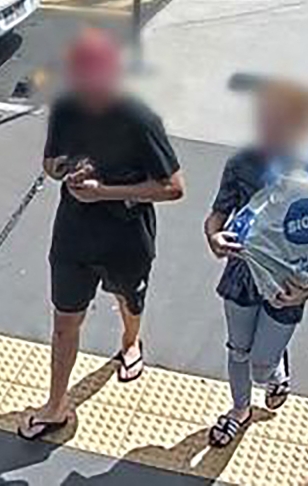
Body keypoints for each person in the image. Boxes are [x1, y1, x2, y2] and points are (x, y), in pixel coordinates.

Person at [20, 28, 185, 440]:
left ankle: (132, 343)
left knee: (127, 299)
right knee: (64, 321)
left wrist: (105, 192)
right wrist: (68, 171)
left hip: (127, 236)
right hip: (74, 234)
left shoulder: (140, 119)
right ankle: (57, 406)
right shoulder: (66, 108)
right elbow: (50, 164)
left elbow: (173, 186)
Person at [204, 81, 308, 447]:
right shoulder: (241, 163)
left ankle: (275, 372)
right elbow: (217, 214)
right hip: (242, 273)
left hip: (288, 284)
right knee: (237, 348)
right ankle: (239, 410)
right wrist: (213, 237)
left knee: (260, 363)